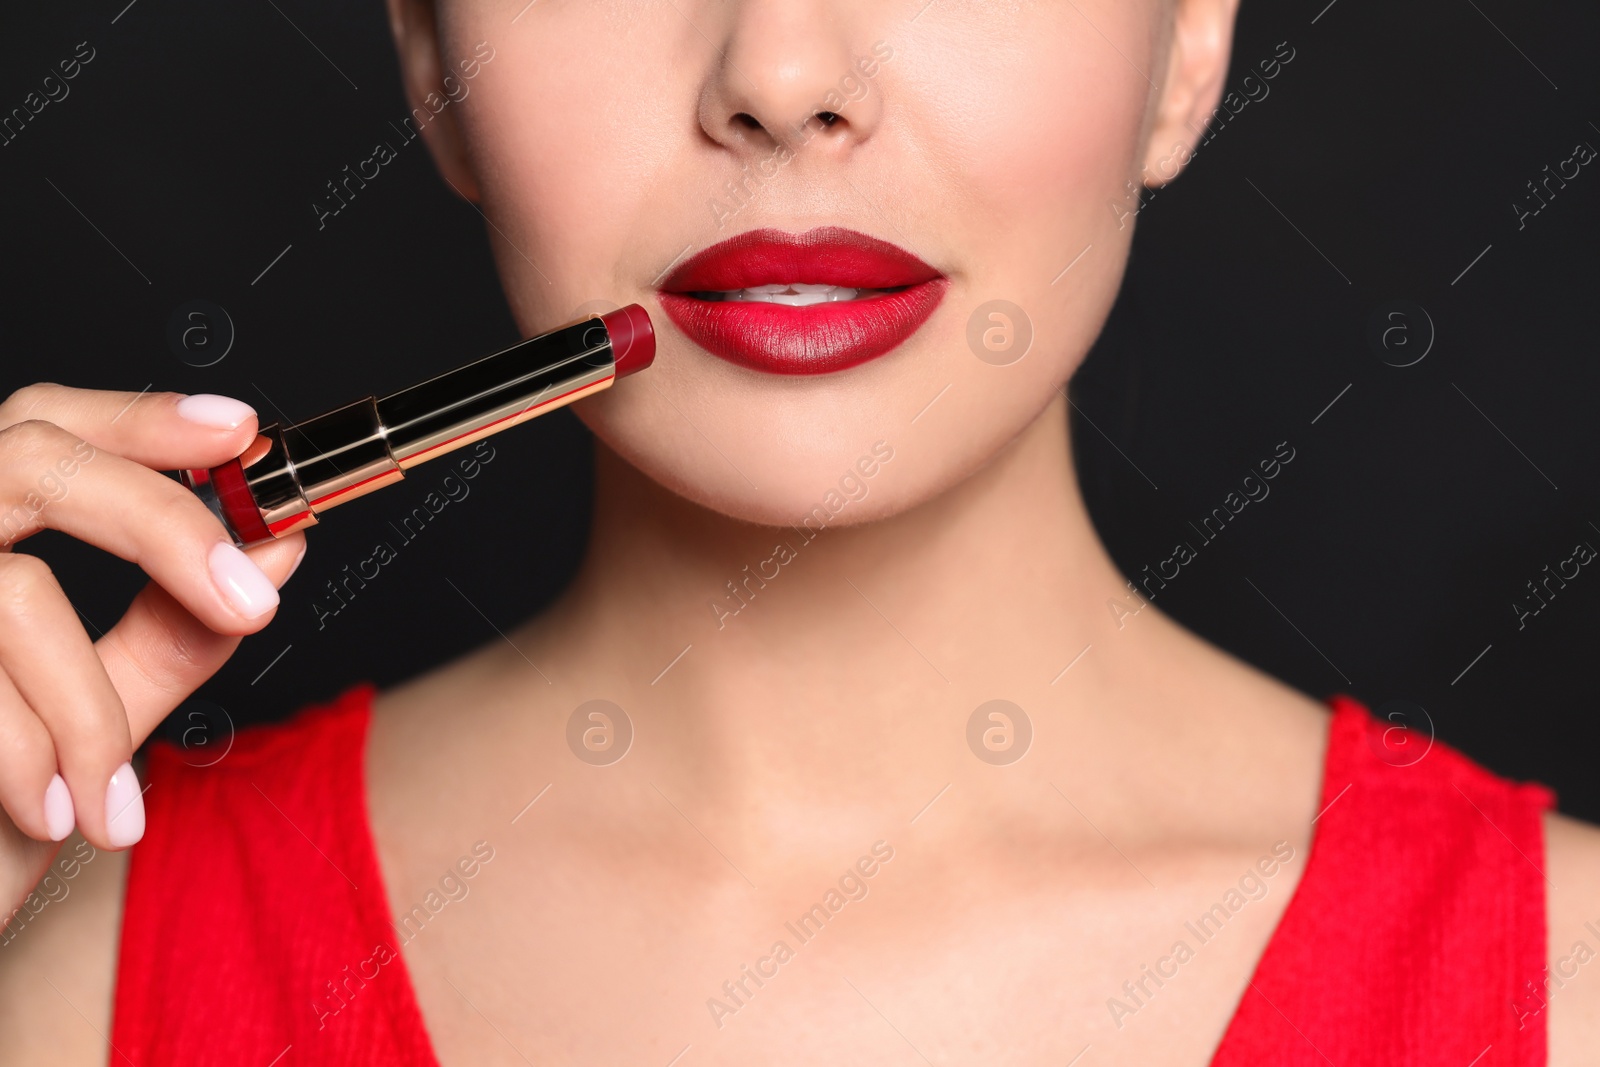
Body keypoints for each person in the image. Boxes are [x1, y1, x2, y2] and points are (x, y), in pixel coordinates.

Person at [3, 0, 1598, 1062]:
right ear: (433, 65)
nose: (779, 78)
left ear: (1187, 46)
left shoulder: (1568, 989)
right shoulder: (67, 981)